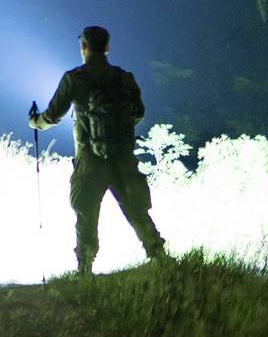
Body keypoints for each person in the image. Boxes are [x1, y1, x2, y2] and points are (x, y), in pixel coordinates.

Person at [29, 25, 168, 276]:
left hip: (90, 163)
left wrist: (34, 122)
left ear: (83, 47)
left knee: (86, 214)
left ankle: (85, 269)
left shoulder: (74, 78)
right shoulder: (125, 78)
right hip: (123, 159)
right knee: (137, 211)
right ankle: (160, 258)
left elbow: (51, 116)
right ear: (107, 47)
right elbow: (139, 113)